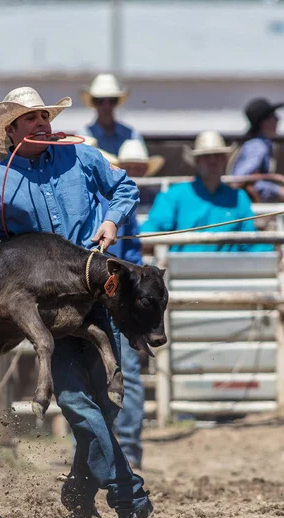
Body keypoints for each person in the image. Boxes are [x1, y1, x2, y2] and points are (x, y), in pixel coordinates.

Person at [0, 86, 153, 518]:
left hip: (99, 292)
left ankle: (77, 488)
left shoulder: (82, 157)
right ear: (11, 131)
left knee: (105, 408)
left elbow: (123, 186)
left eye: (44, 116)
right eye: (31, 119)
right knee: (77, 401)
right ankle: (129, 494)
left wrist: (111, 219)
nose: (42, 124)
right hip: (51, 311)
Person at [110, 139, 165, 470]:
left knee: (126, 369)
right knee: (96, 372)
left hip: (117, 297)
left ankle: (128, 447)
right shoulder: (115, 205)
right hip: (93, 293)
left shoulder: (121, 208)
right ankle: (90, 447)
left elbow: (132, 257)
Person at [141, 130, 273, 252]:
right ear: (197, 161)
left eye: (218, 156)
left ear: (225, 160)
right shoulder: (174, 195)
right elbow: (150, 231)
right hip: (183, 274)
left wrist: (272, 249)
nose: (213, 161)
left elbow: (250, 242)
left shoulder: (239, 197)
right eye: (206, 156)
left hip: (232, 274)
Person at [230, 98, 284, 202]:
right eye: (273, 116)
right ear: (264, 122)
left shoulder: (261, 144)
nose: (278, 119)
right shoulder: (257, 145)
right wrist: (278, 191)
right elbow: (240, 179)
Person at [81, 73, 143, 156]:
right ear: (93, 102)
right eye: (100, 100)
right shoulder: (83, 136)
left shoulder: (131, 135)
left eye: (112, 100)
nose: (106, 105)